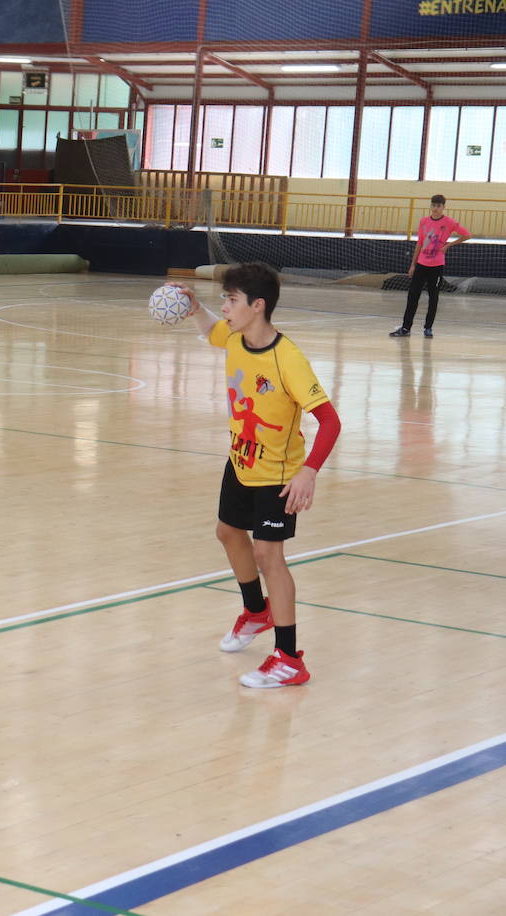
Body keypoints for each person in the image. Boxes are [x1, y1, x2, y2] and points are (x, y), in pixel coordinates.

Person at [172, 263, 342, 688]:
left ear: (257, 306)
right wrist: (195, 309)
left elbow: (330, 421)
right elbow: (212, 331)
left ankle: (289, 659)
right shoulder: (234, 337)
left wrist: (309, 472)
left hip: (278, 474)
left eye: (231, 300)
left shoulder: (289, 359)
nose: (224, 307)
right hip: (241, 461)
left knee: (269, 557)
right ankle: (256, 611)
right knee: (228, 533)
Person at [390, 194, 470, 339]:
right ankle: (406, 328)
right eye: (433, 205)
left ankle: (428, 328)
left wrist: (449, 245)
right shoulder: (424, 222)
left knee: (433, 297)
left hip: (436, 266)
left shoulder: (449, 222)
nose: (435, 208)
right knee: (413, 296)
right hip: (421, 264)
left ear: (443, 207)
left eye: (438, 206)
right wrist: (413, 265)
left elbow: (467, 235)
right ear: (430, 206)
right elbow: (420, 243)